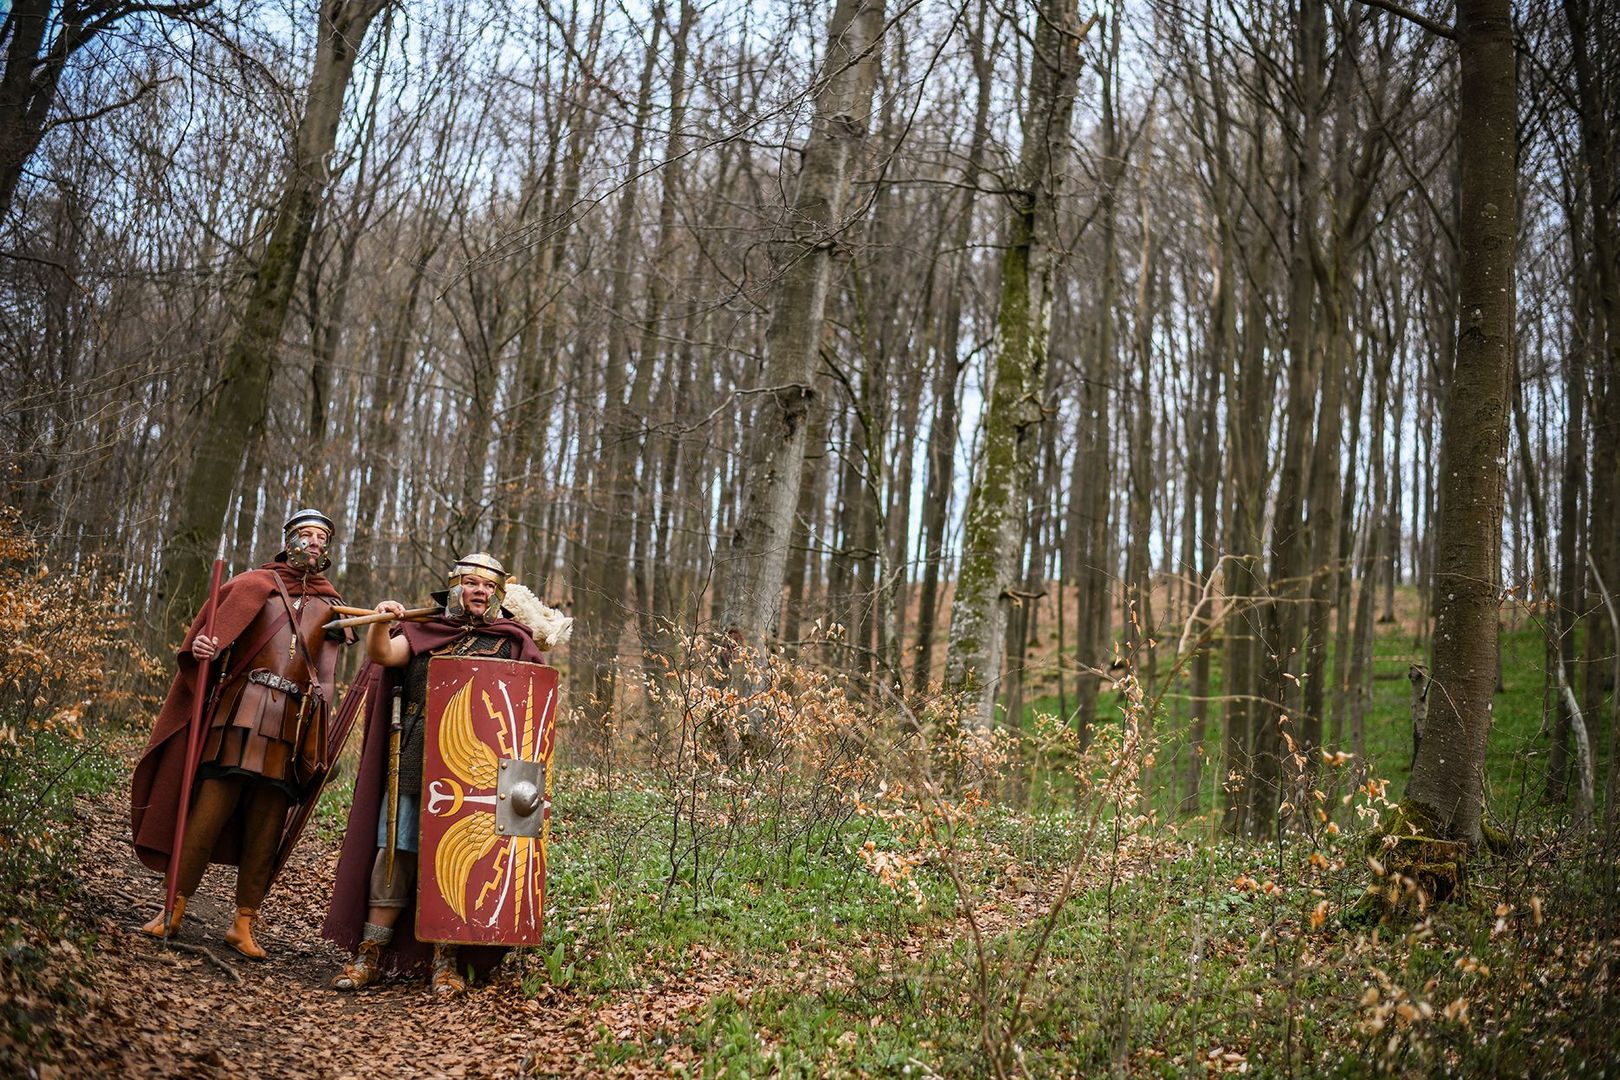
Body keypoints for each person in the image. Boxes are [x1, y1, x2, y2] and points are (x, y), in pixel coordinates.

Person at [323, 552, 556, 995]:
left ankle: (445, 961)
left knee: (458, 864)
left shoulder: (511, 643)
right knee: (395, 854)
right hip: (414, 762)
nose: (479, 591)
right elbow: (382, 653)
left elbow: (527, 714)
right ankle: (370, 954)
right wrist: (381, 622)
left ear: (499, 595)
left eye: (488, 586)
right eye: (471, 583)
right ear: (454, 587)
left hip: (478, 777)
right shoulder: (424, 631)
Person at [130, 508, 352, 959]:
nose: (314, 542)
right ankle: (173, 908)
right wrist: (204, 647)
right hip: (238, 716)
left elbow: (331, 673)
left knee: (266, 825)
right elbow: (209, 644)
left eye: (321, 537)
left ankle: (243, 924)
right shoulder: (254, 585)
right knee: (209, 811)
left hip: (291, 727)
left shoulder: (333, 605)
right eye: (306, 534)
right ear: (288, 540)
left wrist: (385, 614)